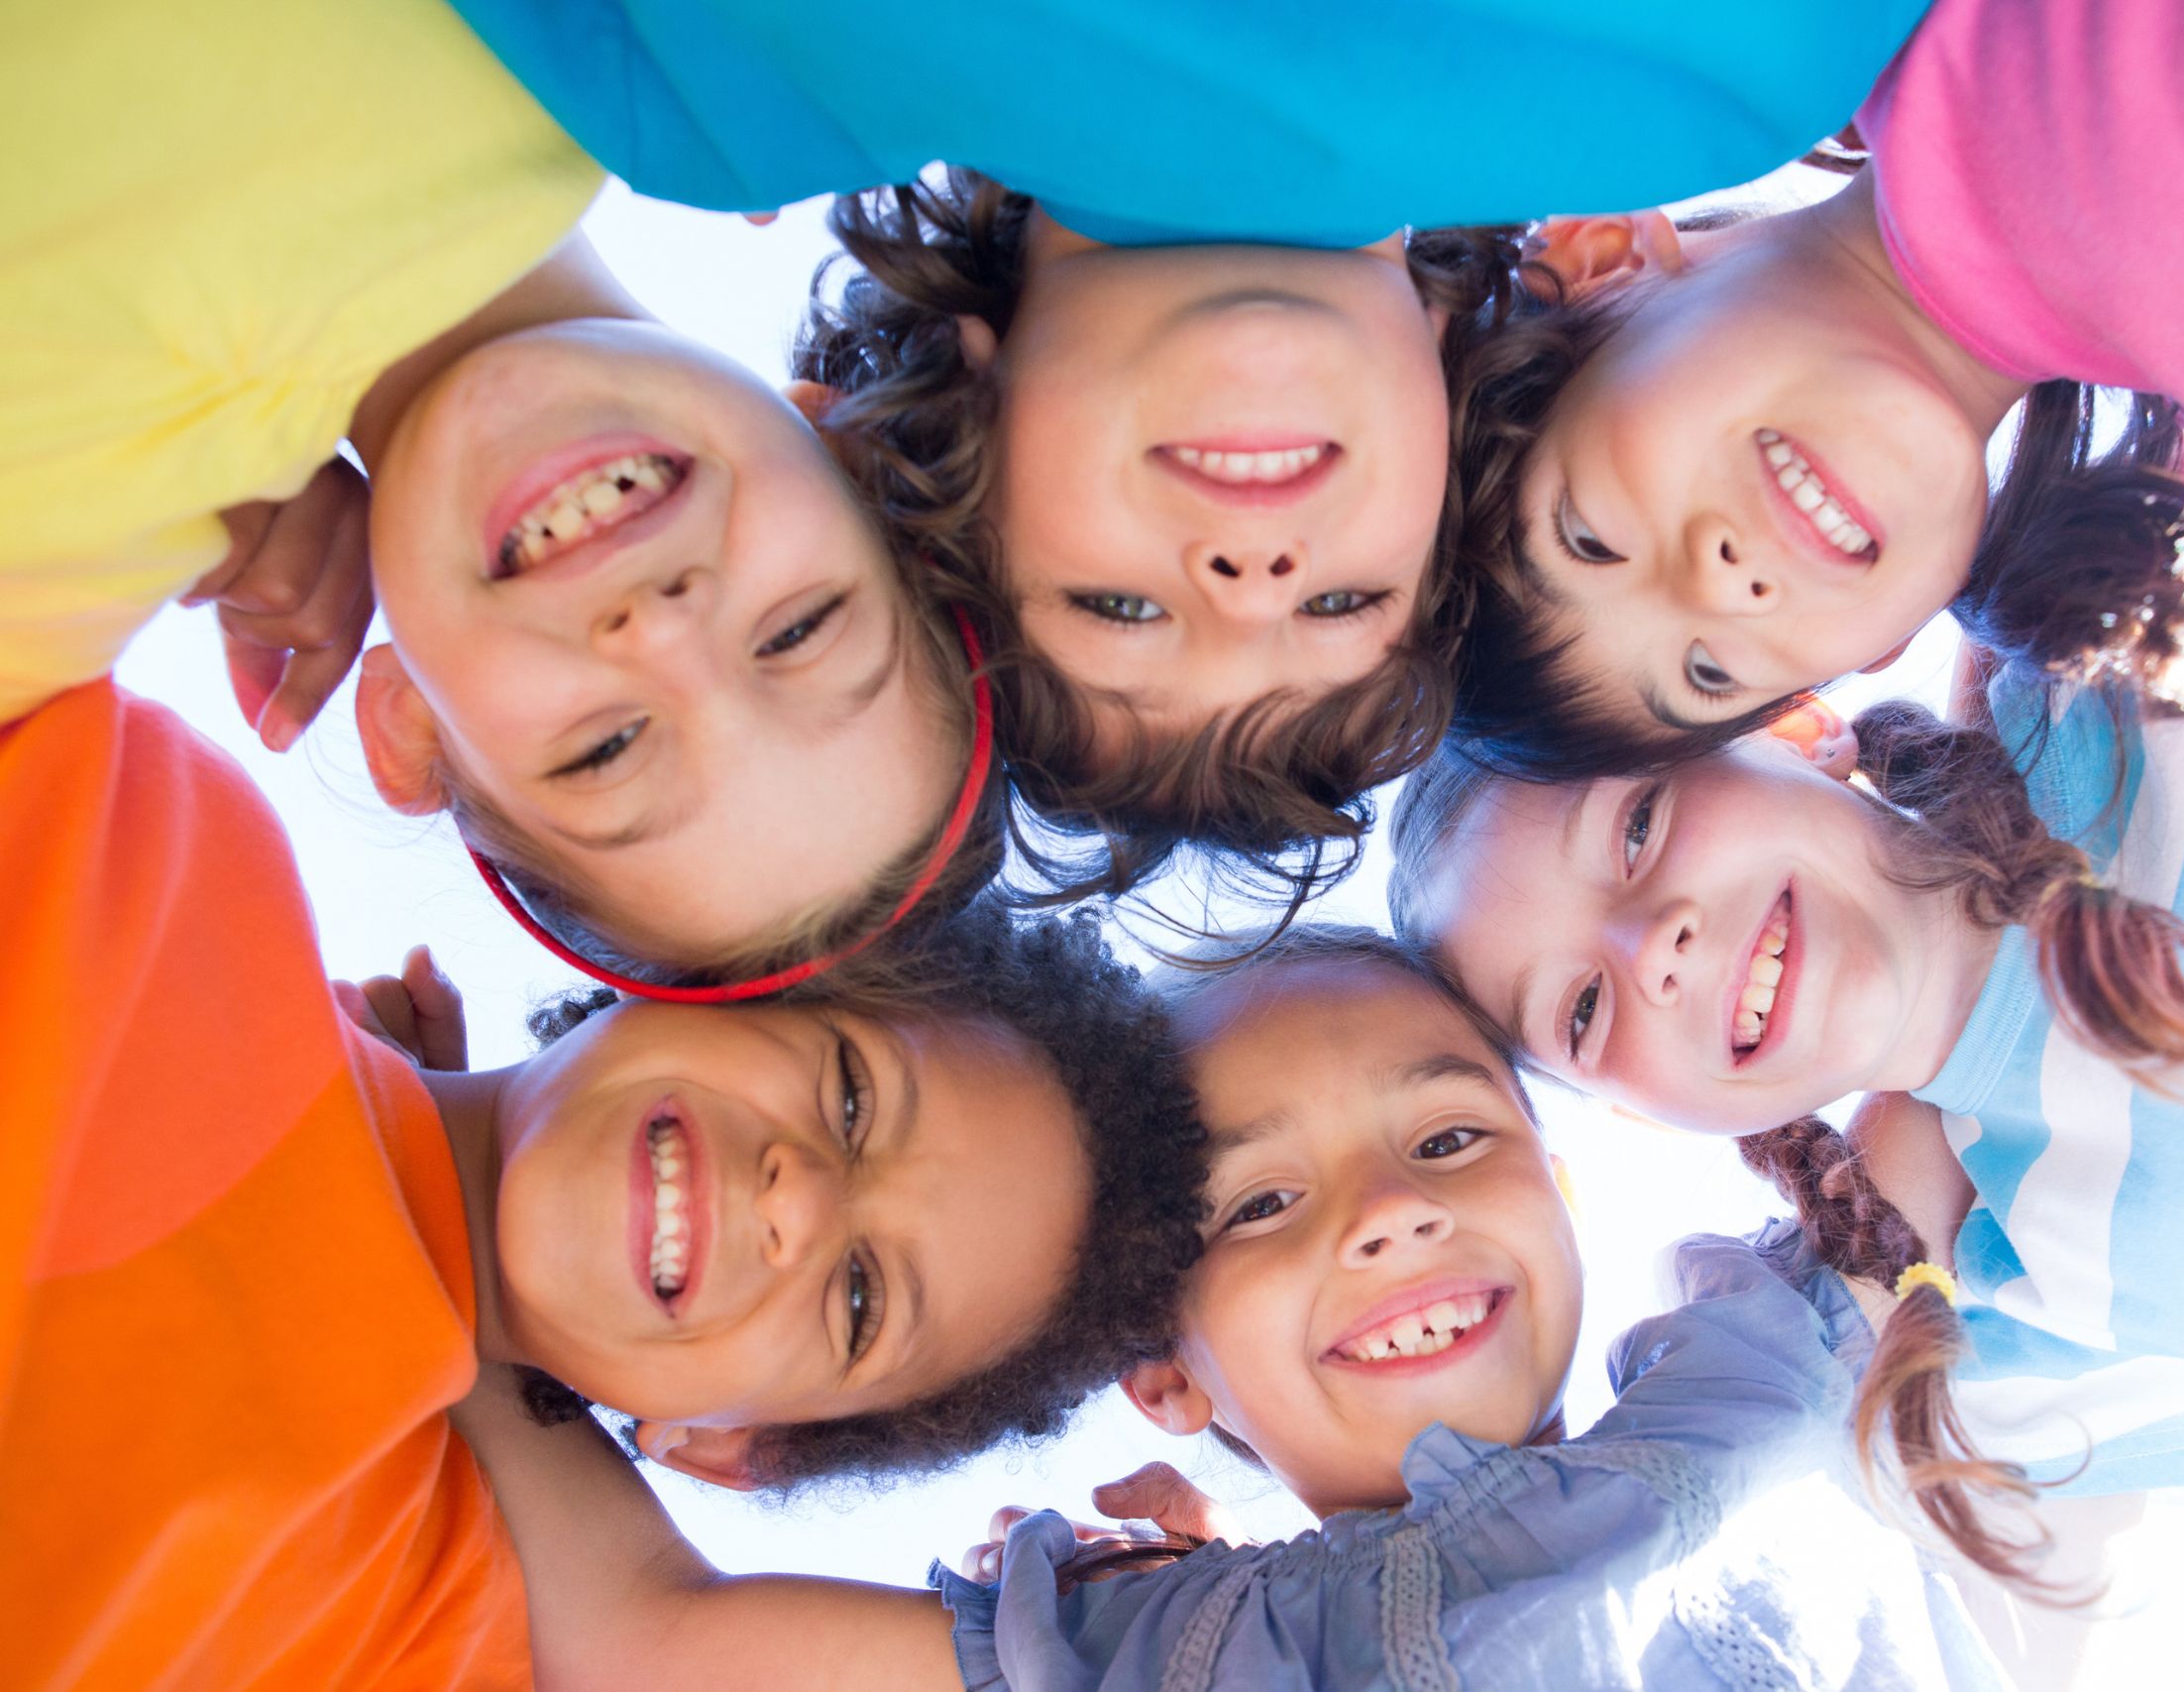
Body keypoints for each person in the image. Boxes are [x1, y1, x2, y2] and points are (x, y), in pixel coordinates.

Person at [438, 0, 1928, 909]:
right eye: (1340, 607)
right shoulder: (1734, 78)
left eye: (1124, 611)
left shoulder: (710, 85)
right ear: (1450, 480)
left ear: (955, 447)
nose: (1249, 573)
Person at [1393, 415, 2184, 1558]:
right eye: (1583, 1012)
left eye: (1639, 827)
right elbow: (1780, 1444)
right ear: (1648, 1114)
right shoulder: (2014, 1283)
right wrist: (1886, 1185)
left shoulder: (2140, 647)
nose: (1653, 952)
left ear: (1792, 727)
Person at [0, 664, 1206, 1682]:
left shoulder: (419, 1627)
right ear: (715, 961)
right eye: (848, 1096)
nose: (795, 1200)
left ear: (731, 1448)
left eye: (859, 1300)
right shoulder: (156, 851)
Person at [433, 927, 2006, 1689]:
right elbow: (649, 1633)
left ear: (1563, 1190)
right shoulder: (1174, 1646)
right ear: (1169, 1383)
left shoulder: (1747, 1390)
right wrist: (477, 1229)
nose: (1391, 1209)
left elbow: (1958, 1017)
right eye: (1258, 1202)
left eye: (1452, 1136)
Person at [0, 0, 999, 991]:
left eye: (607, 749)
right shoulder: (633, 38)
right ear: (850, 448)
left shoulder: (45, 570)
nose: (657, 629)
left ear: (410, 731)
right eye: (796, 633)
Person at [1445, 0, 2184, 780]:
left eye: (1592, 538)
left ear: (1592, 262)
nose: (1722, 586)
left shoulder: (1914, 40)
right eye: (1709, 670)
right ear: (1869, 652)